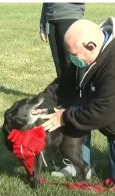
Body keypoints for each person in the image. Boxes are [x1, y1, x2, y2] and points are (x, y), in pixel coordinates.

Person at [42, 17, 115, 180]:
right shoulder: (91, 51)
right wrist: (42, 103)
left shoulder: (112, 65)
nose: (72, 59)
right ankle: (81, 164)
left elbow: (105, 111)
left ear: (91, 46)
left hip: (110, 111)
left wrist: (65, 116)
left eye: (74, 55)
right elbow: (64, 83)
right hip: (106, 106)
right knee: (76, 105)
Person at [39, 3, 91, 177]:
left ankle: (82, 160)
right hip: (52, 19)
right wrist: (43, 21)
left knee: (78, 87)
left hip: (70, 17)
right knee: (64, 85)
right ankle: (69, 157)